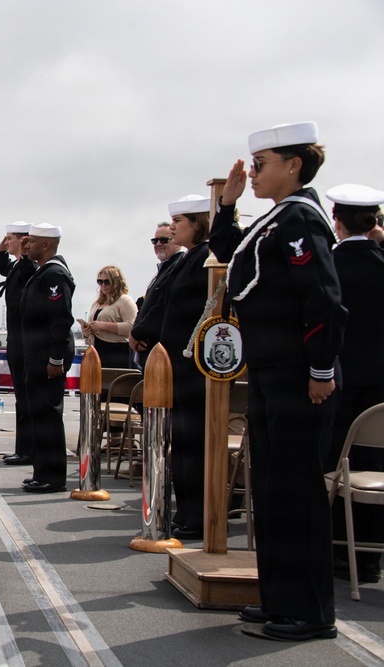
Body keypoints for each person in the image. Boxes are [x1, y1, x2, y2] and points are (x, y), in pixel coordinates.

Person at [210, 121, 344, 641]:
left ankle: (309, 612)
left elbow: (324, 301)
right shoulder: (278, 220)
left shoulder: (300, 222)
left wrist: (319, 369)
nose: (254, 173)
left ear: (294, 165)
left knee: (297, 493)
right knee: (270, 490)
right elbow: (230, 255)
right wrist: (228, 205)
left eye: (261, 164)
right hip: (271, 371)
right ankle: (280, 599)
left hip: (296, 375)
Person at [324, 183, 384, 585]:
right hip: (379, 389)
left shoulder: (332, 268)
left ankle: (334, 549)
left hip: (339, 381)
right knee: (373, 469)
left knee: (332, 464)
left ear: (337, 222)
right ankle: (369, 558)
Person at [156, 195, 212, 540]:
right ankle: (186, 511)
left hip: (193, 367)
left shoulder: (205, 258)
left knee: (192, 445)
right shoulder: (189, 259)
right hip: (178, 364)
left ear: (198, 223)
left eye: (180, 221)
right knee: (183, 445)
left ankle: (195, 515)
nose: (173, 226)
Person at [17, 223, 74, 493]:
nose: (26, 245)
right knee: (39, 416)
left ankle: (52, 476)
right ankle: (42, 472)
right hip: (35, 355)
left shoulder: (55, 275)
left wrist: (55, 359)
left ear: (47, 245)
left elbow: (60, 320)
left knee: (48, 417)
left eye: (32, 242)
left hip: (47, 359)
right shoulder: (41, 272)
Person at [0, 221, 36, 466]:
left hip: (25, 339)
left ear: (22, 240)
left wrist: (22, 249)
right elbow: (3, 269)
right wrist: (1, 251)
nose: (6, 241)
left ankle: (28, 450)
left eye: (10, 238)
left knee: (27, 396)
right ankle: (23, 448)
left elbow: (23, 268)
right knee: (21, 396)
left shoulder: (29, 266)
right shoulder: (18, 266)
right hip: (16, 339)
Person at [129, 222, 185, 367]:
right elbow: (146, 305)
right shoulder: (165, 268)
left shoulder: (177, 266)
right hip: (150, 348)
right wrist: (136, 333)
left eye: (164, 240)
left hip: (163, 351)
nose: (158, 244)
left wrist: (137, 334)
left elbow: (160, 306)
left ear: (177, 242)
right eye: (155, 241)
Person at [79, 265, 137, 369]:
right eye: (100, 282)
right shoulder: (97, 303)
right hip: (96, 351)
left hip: (117, 352)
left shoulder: (125, 301)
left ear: (116, 282)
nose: (103, 285)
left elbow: (132, 326)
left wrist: (104, 325)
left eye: (107, 282)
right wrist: (86, 331)